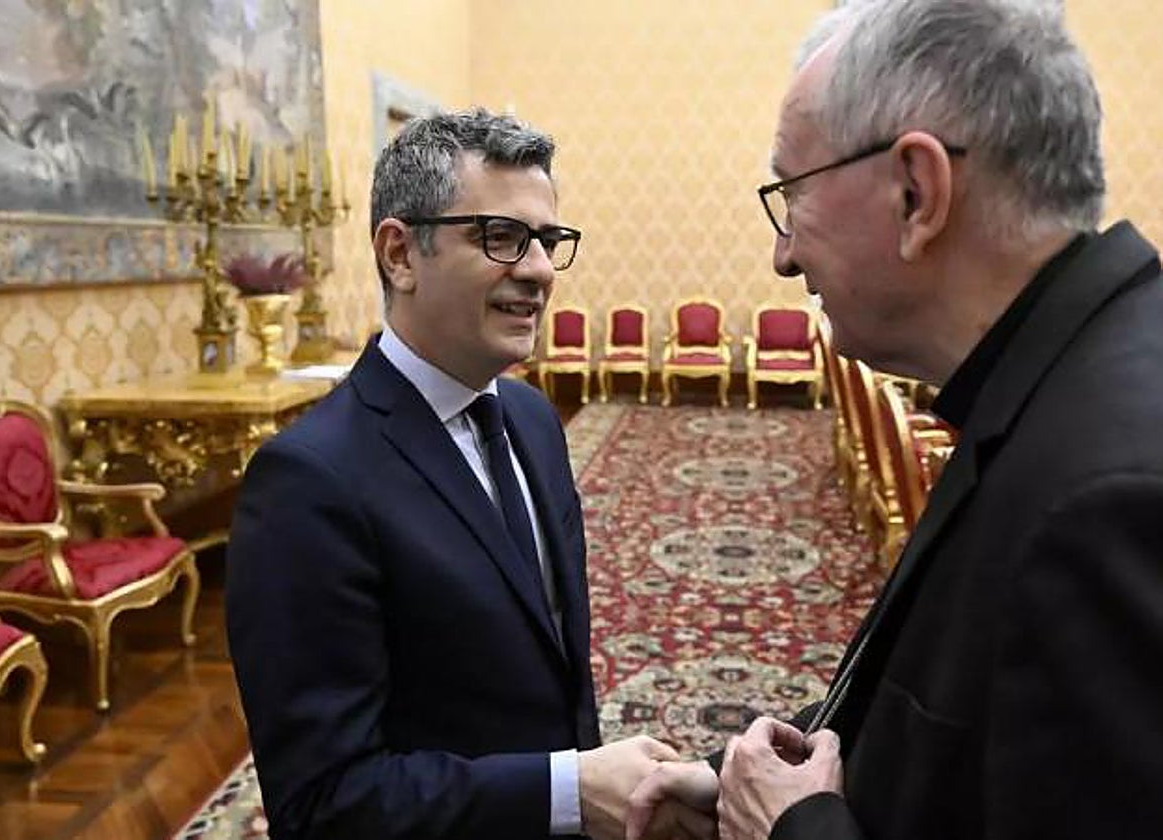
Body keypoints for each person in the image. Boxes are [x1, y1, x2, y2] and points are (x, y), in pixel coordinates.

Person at [627, 1, 1163, 838]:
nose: (783, 255)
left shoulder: (1109, 497)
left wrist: (793, 828)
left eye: (791, 194)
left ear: (917, 193)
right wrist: (746, 775)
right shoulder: (1060, 386)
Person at [226, 108, 684, 840]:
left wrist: (581, 787)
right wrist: (565, 790)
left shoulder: (533, 419)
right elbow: (322, 804)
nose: (536, 270)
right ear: (400, 254)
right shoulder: (308, 484)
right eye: (500, 237)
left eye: (548, 240)